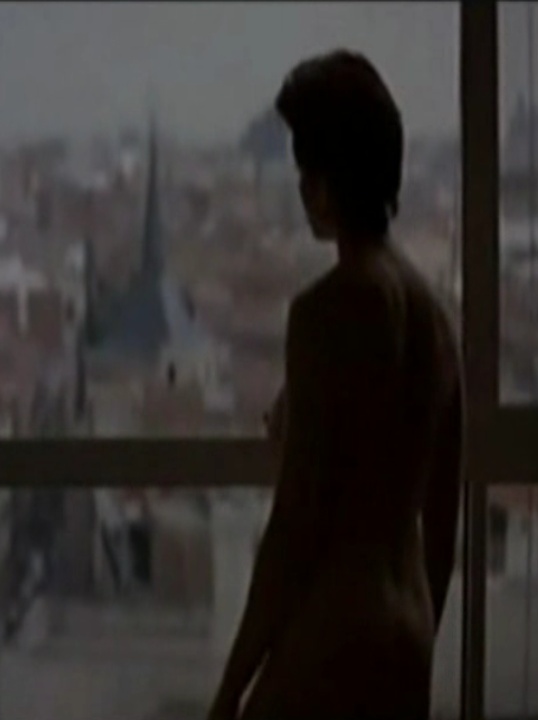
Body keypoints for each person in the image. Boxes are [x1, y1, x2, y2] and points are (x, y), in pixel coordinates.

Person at [208, 49, 463, 720]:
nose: (301, 189)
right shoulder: (438, 318)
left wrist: (229, 690)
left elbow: (294, 524)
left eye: (305, 168)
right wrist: (418, 634)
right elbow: (442, 517)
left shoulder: (326, 309)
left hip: (339, 625)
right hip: (409, 628)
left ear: (324, 181)